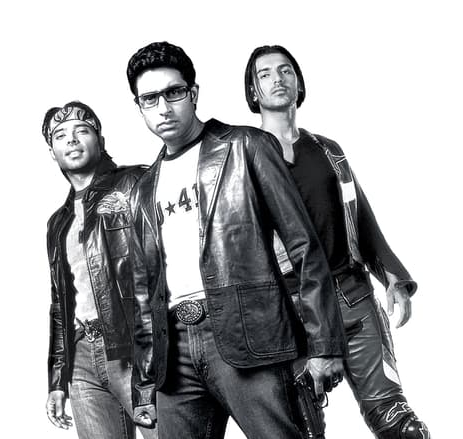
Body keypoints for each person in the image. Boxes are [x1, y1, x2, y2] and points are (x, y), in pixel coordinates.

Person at [126, 41, 347, 439]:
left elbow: (304, 246)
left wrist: (325, 344)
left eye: (174, 93)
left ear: (193, 93)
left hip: (252, 335)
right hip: (173, 356)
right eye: (150, 99)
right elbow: (144, 291)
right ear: (139, 106)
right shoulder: (143, 189)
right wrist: (144, 383)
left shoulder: (246, 146)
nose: (163, 108)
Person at [244, 45, 431, 439]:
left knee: (400, 424)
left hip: (351, 296)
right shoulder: (242, 159)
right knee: (303, 431)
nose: (277, 79)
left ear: (299, 82)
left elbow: (360, 218)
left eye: (286, 70)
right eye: (265, 74)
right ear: (253, 91)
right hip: (290, 312)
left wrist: (394, 278)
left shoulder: (328, 150)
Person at [41, 101, 155, 438]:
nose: (72, 140)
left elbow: (163, 264)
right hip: (82, 358)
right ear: (52, 152)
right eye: (60, 135)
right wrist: (58, 379)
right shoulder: (58, 222)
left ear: (100, 140)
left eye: (82, 130)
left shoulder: (135, 182)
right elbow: (61, 303)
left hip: (134, 348)